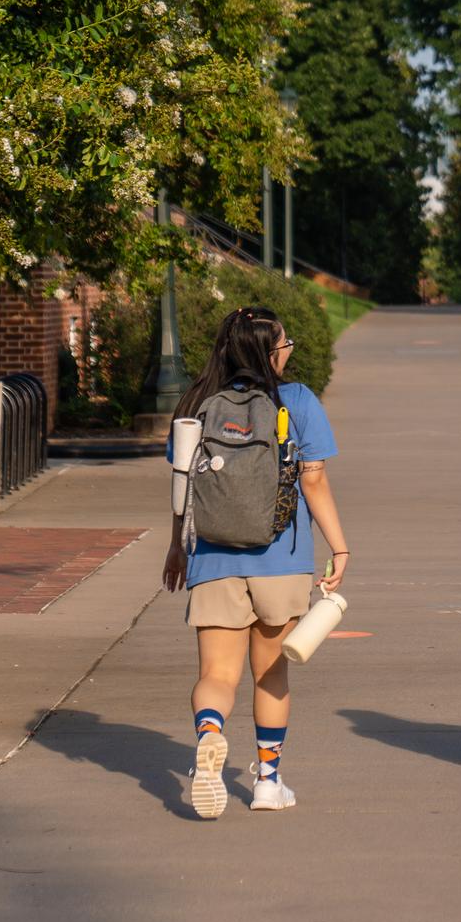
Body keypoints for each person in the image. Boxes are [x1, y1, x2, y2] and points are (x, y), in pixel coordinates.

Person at [163, 306, 350, 818]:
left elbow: (183, 483)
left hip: (213, 558)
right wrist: (340, 547)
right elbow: (313, 480)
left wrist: (178, 547)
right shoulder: (296, 402)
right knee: (271, 675)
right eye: (285, 343)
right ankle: (268, 781)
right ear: (270, 352)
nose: (289, 351)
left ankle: (209, 733)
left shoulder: (197, 402)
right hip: (281, 559)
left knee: (217, 673)